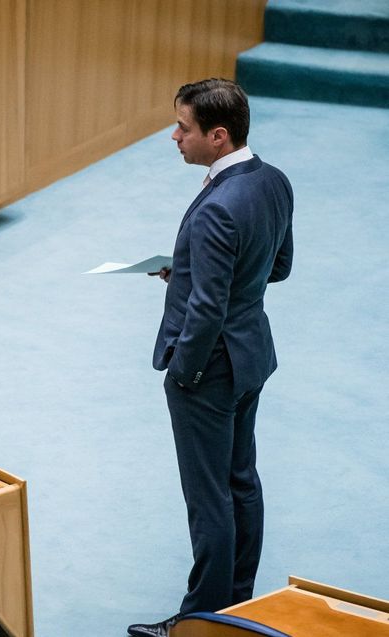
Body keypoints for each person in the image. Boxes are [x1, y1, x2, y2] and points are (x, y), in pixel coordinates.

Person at [128, 79, 294, 637]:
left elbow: (205, 312)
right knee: (240, 480)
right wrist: (197, 270)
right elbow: (277, 266)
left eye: (185, 128)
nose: (175, 136)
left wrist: (185, 373)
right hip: (252, 356)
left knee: (209, 499)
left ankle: (200, 619)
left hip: (211, 370)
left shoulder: (217, 207)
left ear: (218, 137)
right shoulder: (272, 180)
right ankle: (239, 606)